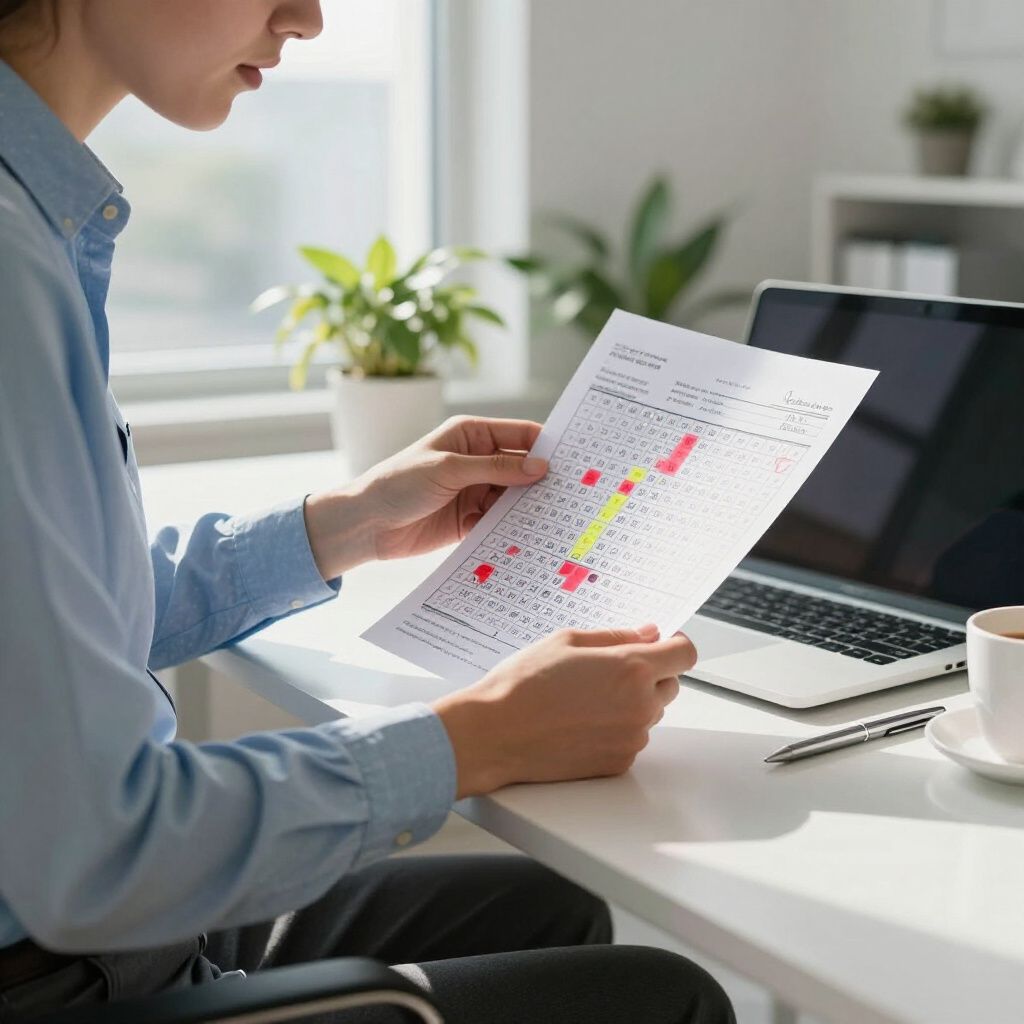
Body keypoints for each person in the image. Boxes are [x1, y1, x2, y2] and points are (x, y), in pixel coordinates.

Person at [0, 2, 734, 1021]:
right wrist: (482, 737)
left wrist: (345, 523)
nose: (307, 17)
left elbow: (49, 629)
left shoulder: (37, 220)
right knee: (662, 996)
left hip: (82, 924)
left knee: (546, 901)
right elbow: (98, 848)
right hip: (63, 970)